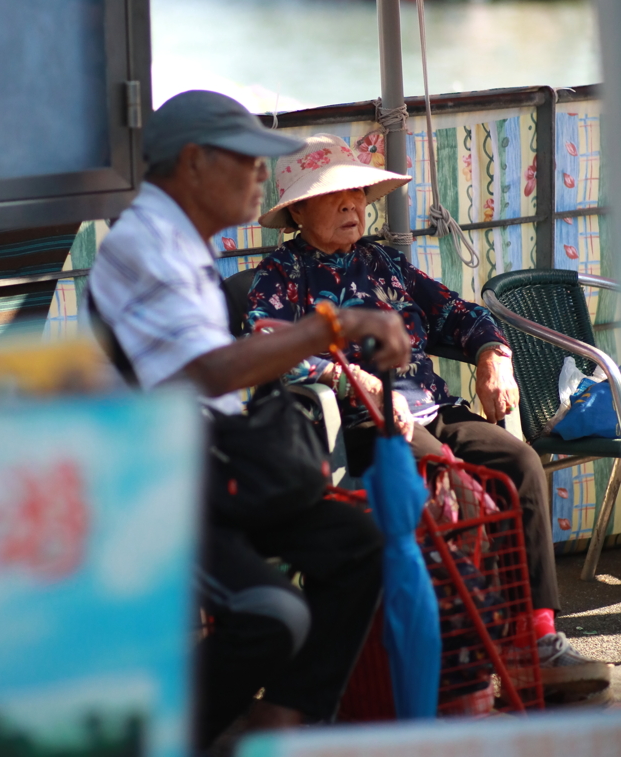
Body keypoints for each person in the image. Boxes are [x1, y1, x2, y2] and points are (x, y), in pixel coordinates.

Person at [87, 94, 411, 748]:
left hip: (211, 458)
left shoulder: (182, 243)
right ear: (194, 163)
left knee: (356, 547)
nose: (264, 176)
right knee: (271, 612)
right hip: (152, 473)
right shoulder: (144, 243)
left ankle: (274, 723)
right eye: (250, 161)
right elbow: (207, 371)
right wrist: (335, 326)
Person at [247, 131, 606, 689]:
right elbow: (266, 352)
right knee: (454, 478)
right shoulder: (280, 277)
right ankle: (465, 646)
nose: (352, 204)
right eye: (333, 194)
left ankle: (533, 639)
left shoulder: (385, 265)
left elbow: (459, 314)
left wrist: (494, 355)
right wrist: (348, 377)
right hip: (357, 426)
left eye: (358, 193)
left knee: (519, 464)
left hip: (432, 408)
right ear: (298, 207)